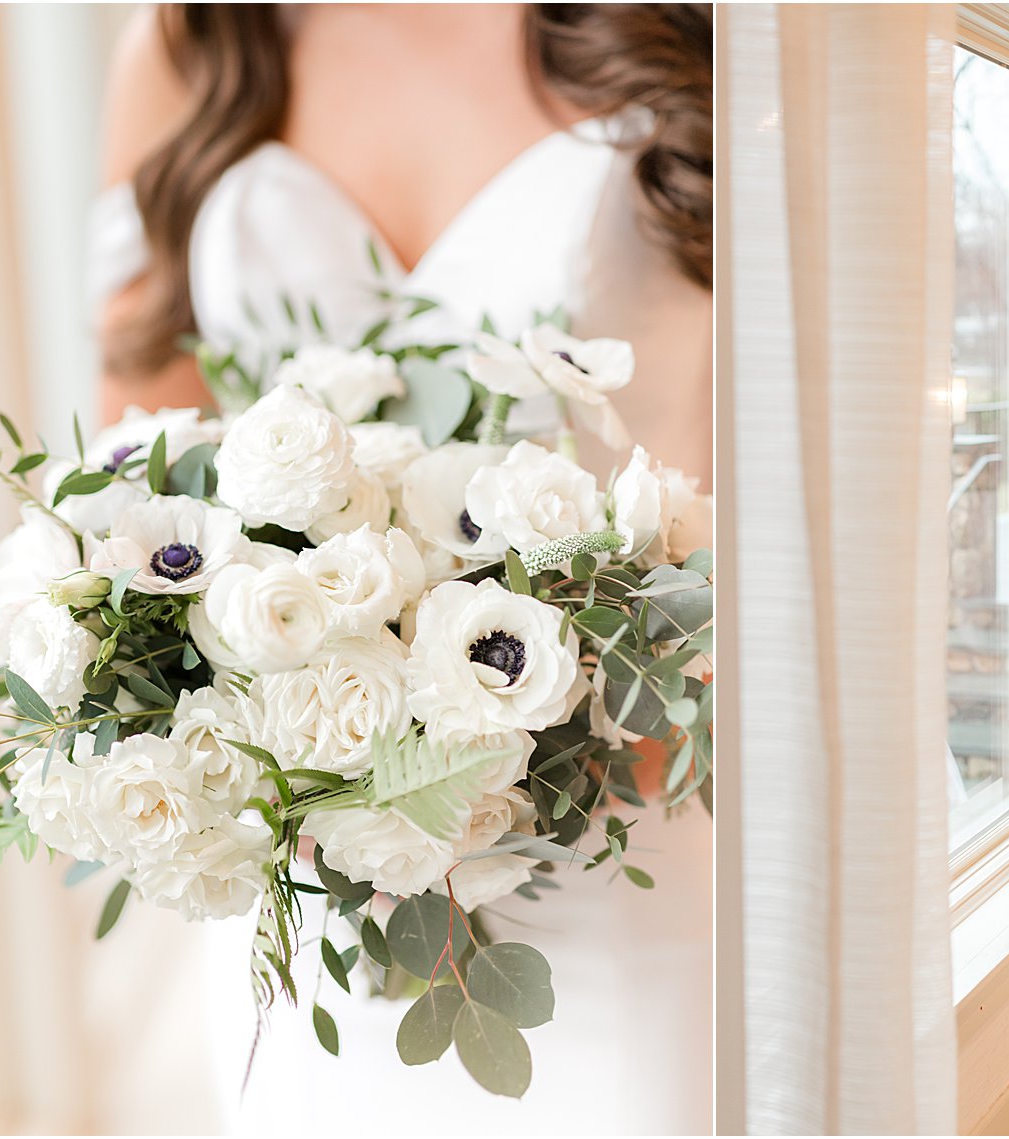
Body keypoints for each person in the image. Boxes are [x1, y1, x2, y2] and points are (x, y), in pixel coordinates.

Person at [91, 4, 712, 1131]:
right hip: (313, 849)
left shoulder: (688, 26)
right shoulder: (191, 41)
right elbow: (137, 459)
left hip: (626, 783)